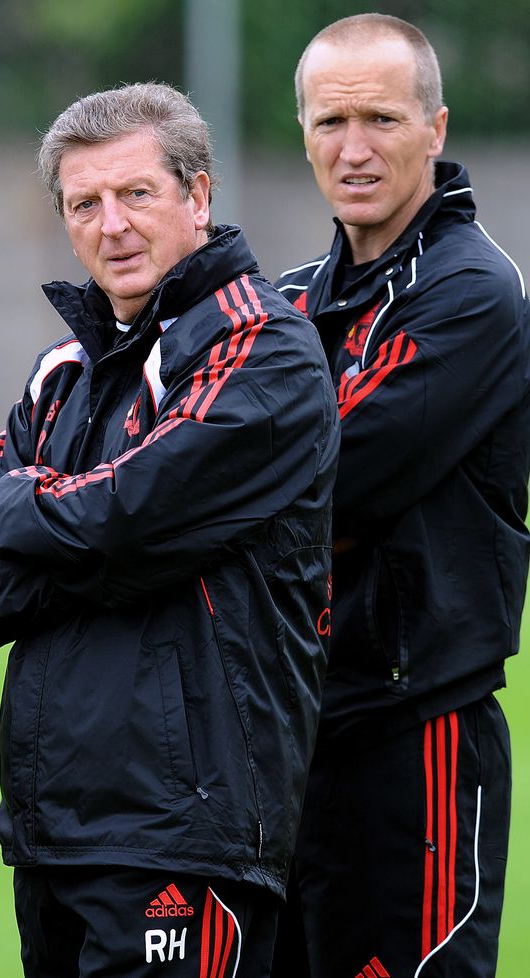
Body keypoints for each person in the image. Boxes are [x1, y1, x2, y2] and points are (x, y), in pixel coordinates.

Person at [0, 82, 339, 977]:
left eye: (137, 194)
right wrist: (96, 542)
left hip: (186, 827)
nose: (111, 225)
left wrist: (36, 514)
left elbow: (123, 512)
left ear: (198, 196)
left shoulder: (265, 349)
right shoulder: (64, 369)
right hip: (50, 823)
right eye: (86, 203)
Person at [271, 14, 530, 978]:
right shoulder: (291, 301)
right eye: (329, 121)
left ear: (437, 127)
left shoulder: (472, 292)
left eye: (380, 118)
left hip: (414, 729)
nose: (353, 148)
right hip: (289, 730)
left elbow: (320, 476)